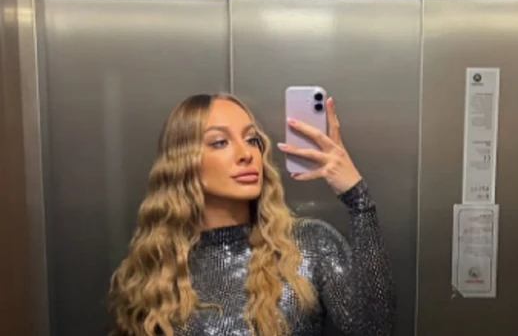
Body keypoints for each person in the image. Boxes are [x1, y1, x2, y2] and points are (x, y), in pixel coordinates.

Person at [107, 93, 395, 336]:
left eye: (252, 139)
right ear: (183, 162)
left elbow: (374, 329)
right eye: (220, 142)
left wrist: (358, 200)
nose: (246, 153)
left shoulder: (309, 242)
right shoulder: (155, 270)